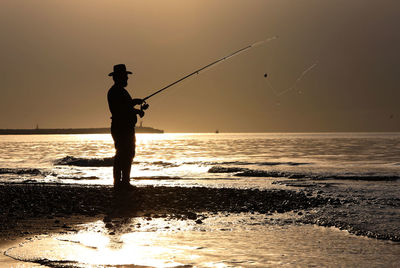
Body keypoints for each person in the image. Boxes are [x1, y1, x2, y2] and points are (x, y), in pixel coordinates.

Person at [107, 64, 146, 190]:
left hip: (125, 127)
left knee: (128, 153)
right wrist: (134, 102)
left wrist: (137, 111)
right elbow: (120, 109)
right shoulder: (115, 91)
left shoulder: (120, 91)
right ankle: (120, 183)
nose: (127, 79)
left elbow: (125, 108)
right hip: (121, 127)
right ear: (118, 77)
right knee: (123, 154)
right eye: (125, 77)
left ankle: (123, 182)